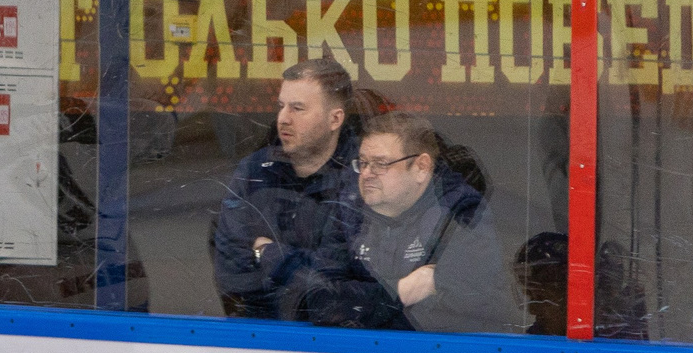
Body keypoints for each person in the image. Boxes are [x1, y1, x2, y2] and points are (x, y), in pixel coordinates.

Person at [293, 111, 525, 334]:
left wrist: (363, 303)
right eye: (362, 163)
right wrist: (401, 291)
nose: (366, 173)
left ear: (421, 168)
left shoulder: (459, 214)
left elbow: (464, 308)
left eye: (380, 164)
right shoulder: (348, 214)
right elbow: (319, 302)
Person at [208, 58, 362, 318]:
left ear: (335, 119)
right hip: (260, 329)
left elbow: (338, 285)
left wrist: (264, 252)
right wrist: (298, 273)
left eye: (298, 108)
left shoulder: (364, 174)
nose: (283, 119)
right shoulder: (255, 170)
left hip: (337, 337)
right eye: (281, 106)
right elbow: (231, 272)